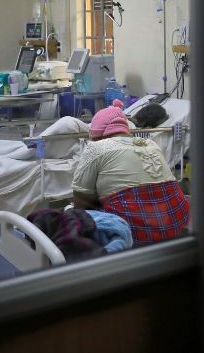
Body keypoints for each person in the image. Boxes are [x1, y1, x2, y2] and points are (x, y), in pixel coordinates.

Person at [72, 100, 189, 246]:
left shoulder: (95, 148)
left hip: (135, 233)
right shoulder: (151, 144)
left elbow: (81, 201)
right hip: (177, 224)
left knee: (74, 216)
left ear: (96, 136)